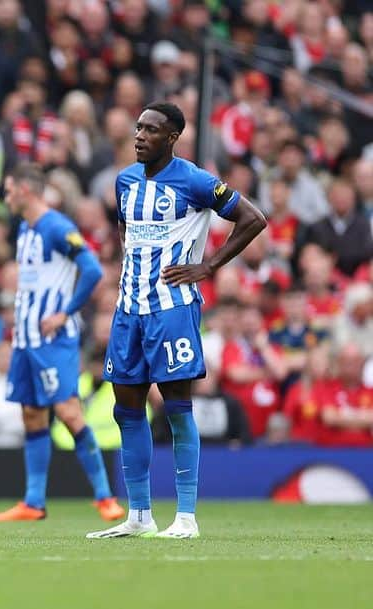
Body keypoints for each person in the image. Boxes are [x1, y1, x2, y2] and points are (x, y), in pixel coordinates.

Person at [89, 102, 267, 540]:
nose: (139, 136)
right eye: (138, 128)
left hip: (172, 308)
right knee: (126, 409)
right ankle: (139, 515)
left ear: (172, 138)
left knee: (176, 407)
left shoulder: (195, 180)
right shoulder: (125, 181)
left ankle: (186, 516)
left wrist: (209, 266)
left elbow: (253, 219)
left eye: (151, 130)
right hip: (129, 308)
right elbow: (127, 236)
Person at [0, 165, 121, 524]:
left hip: (52, 339)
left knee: (68, 411)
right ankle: (33, 502)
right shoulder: (26, 228)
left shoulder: (56, 227)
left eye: (10, 189)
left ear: (26, 190)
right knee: (31, 414)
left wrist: (65, 313)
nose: (7, 197)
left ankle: (105, 497)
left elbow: (92, 269)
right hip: (26, 338)